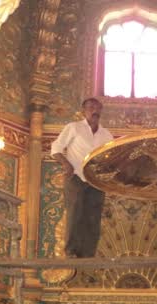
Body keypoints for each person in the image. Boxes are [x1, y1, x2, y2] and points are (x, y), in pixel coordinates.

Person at [50, 97, 114, 258]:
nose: (95, 110)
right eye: (91, 107)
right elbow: (56, 148)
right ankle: (71, 252)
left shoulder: (106, 135)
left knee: (93, 217)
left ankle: (88, 254)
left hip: (97, 181)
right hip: (76, 176)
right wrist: (66, 164)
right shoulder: (74, 128)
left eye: (98, 107)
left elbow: (112, 156)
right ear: (83, 111)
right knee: (75, 213)